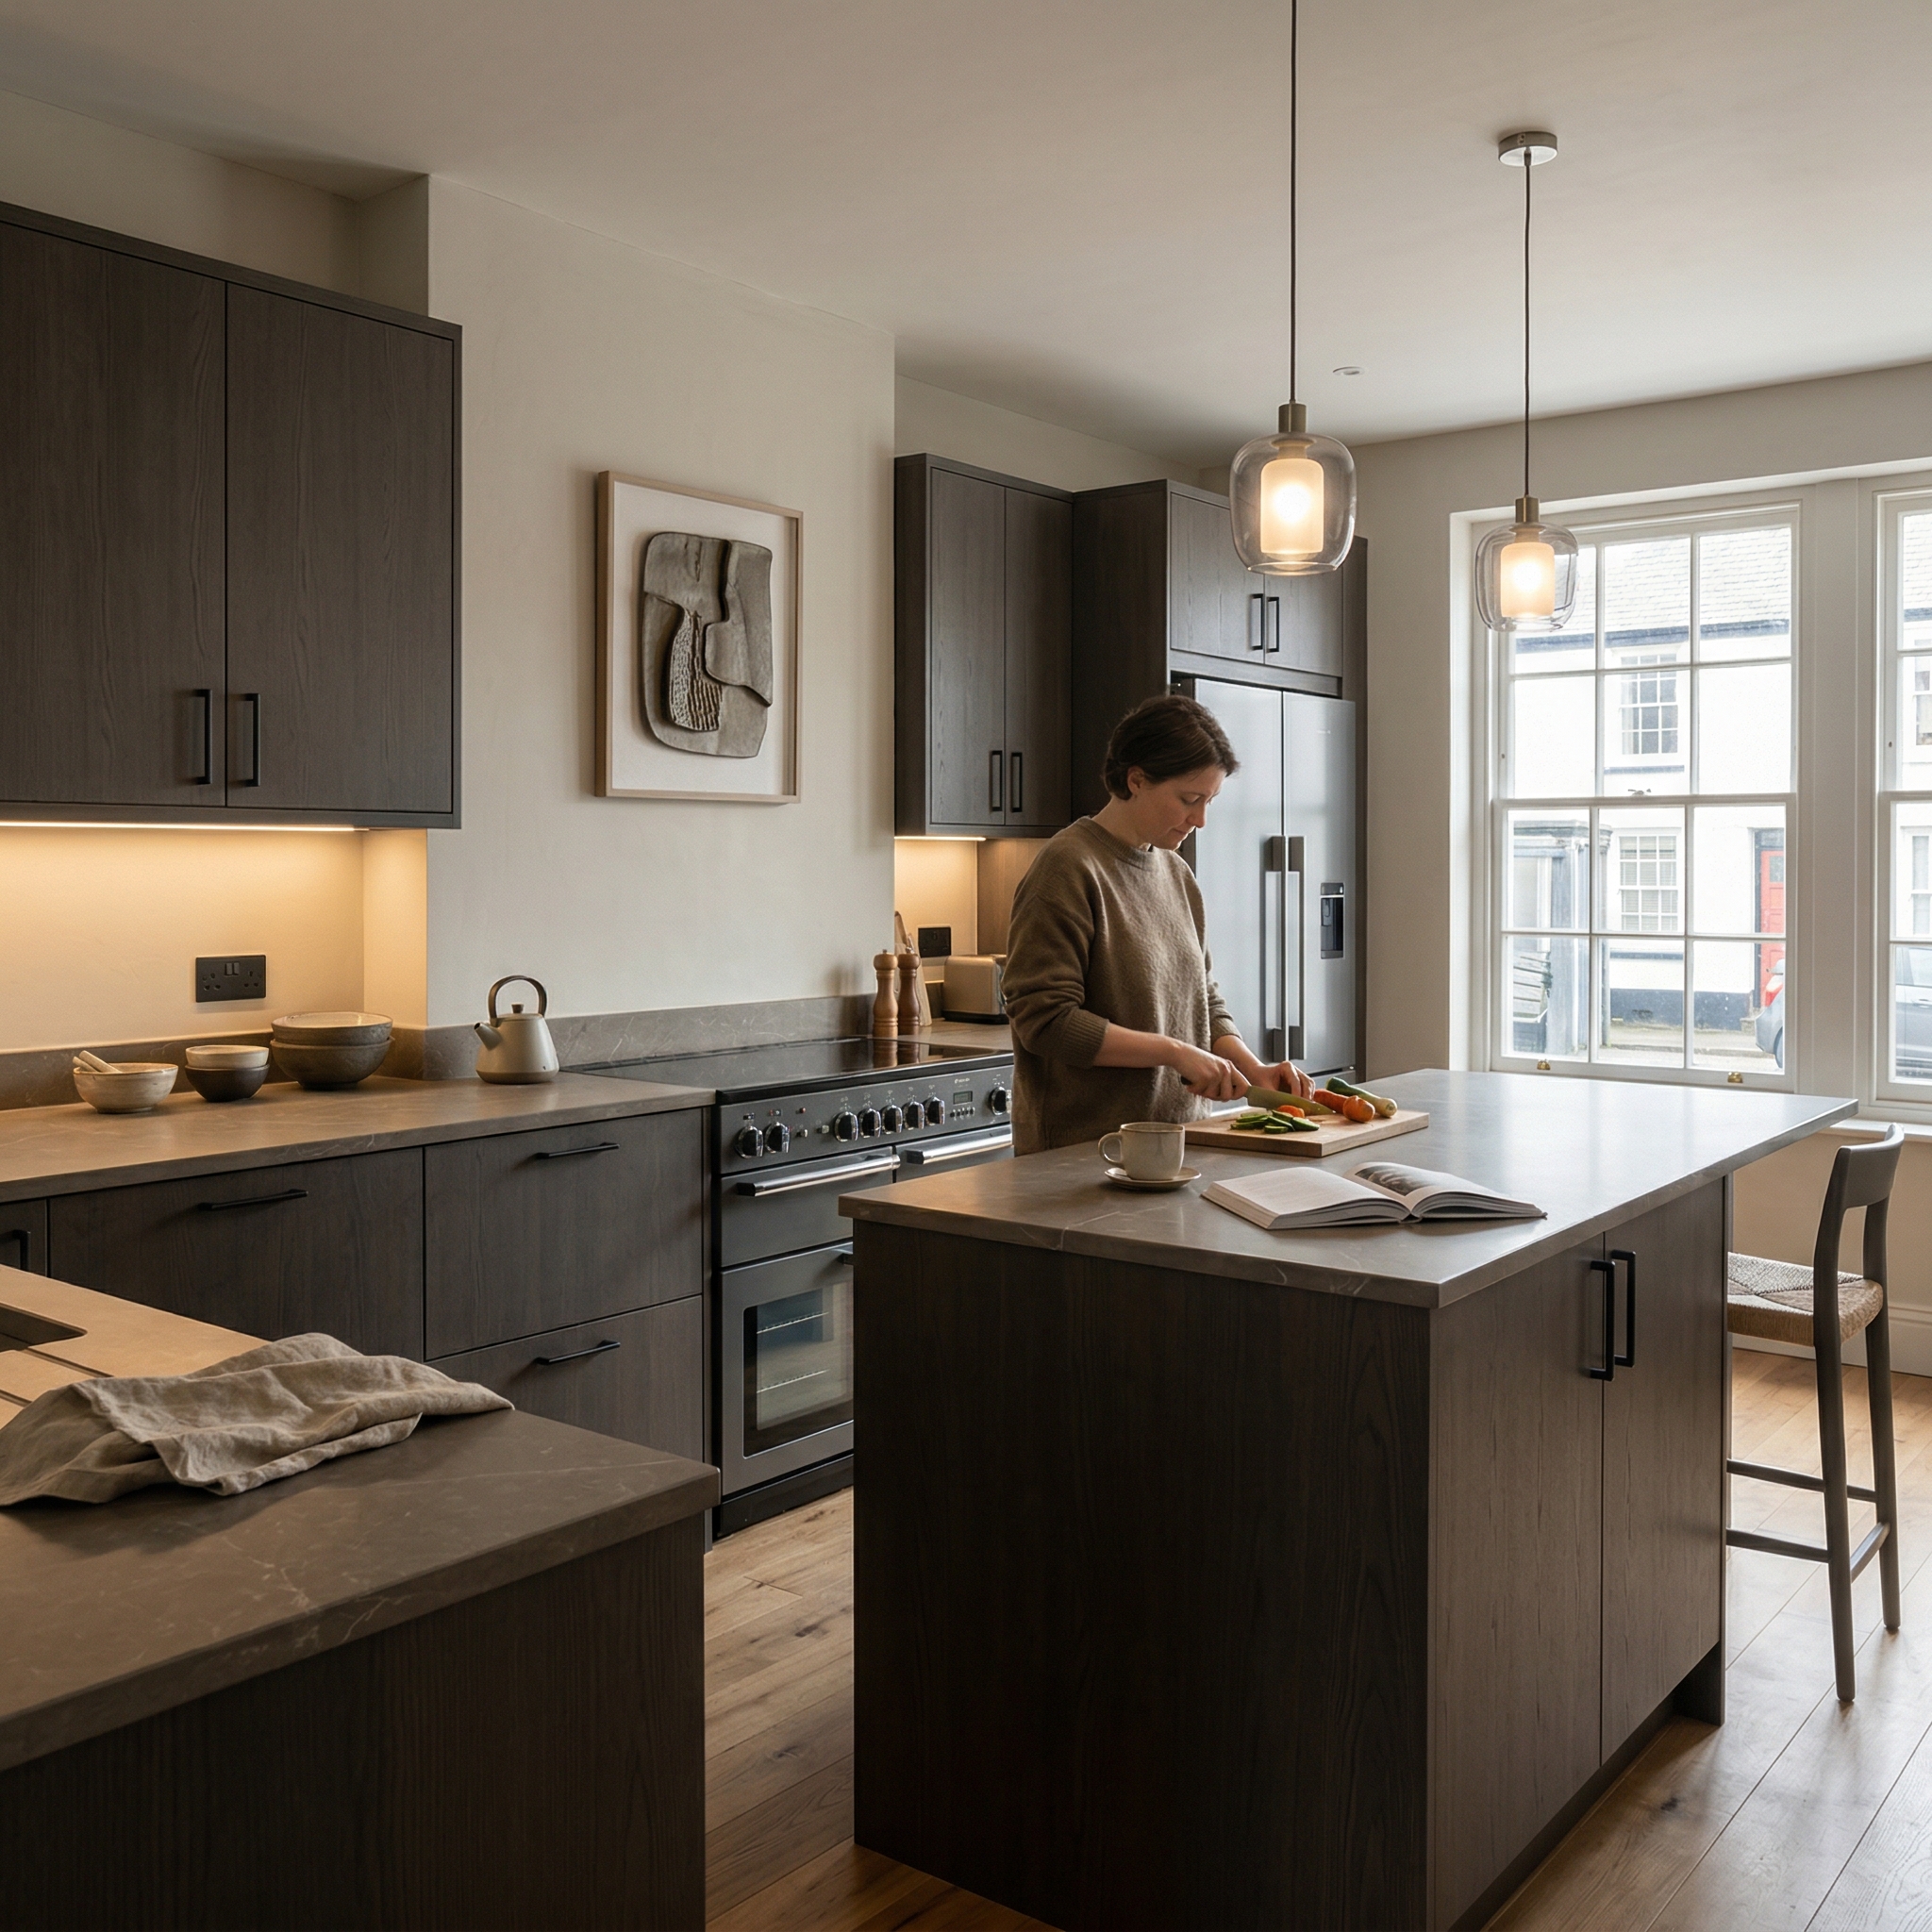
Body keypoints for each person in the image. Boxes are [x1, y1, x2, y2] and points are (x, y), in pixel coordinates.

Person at [1001, 691, 1312, 1156]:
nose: (1201, 819)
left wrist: (1253, 1071)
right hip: (1083, 1157)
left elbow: (1202, 998)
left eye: (1210, 800)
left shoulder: (1176, 874)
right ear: (1137, 780)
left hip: (1177, 1148)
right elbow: (1046, 1021)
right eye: (1189, 799)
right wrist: (1175, 1053)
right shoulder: (1067, 868)